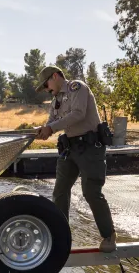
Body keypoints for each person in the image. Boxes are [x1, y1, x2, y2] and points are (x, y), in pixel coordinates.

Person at [35, 65, 116, 252]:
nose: (46, 90)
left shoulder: (77, 88)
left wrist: (52, 128)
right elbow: (51, 121)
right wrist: (43, 130)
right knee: (60, 192)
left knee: (91, 192)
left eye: (46, 85)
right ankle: (61, 237)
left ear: (55, 76)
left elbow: (77, 114)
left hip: (90, 148)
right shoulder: (56, 99)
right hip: (70, 149)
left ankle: (109, 235)